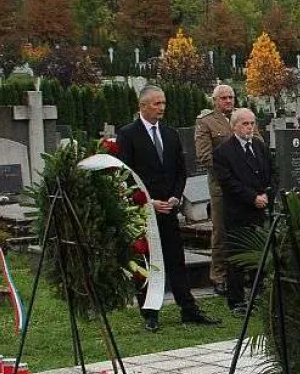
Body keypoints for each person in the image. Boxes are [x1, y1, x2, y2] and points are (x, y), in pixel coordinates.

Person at [117, 85, 220, 331]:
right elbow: (124, 174)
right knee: (148, 261)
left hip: (169, 208)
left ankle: (188, 308)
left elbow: (180, 171)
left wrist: (175, 196)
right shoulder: (128, 134)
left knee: (176, 259)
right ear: (142, 106)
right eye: (156, 104)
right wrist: (147, 201)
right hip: (144, 211)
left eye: (163, 103)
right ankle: (150, 312)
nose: (161, 108)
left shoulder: (170, 134)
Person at [212, 108, 277, 314]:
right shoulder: (223, 151)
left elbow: (272, 172)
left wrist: (267, 195)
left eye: (252, 123)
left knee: (259, 255)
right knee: (238, 257)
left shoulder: (260, 146)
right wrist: (252, 198)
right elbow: (228, 182)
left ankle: (259, 295)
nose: (250, 128)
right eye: (245, 124)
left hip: (261, 209)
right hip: (238, 211)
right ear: (234, 126)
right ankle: (237, 300)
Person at [193, 83, 235, 296]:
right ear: (215, 101)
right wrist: (232, 172)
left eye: (231, 97)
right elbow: (204, 156)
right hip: (221, 185)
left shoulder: (242, 117)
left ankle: (242, 271)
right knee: (221, 230)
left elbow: (258, 144)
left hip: (245, 187)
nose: (228, 101)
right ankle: (219, 275)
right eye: (224, 98)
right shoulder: (206, 122)